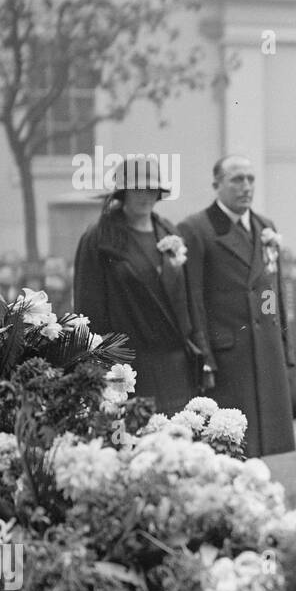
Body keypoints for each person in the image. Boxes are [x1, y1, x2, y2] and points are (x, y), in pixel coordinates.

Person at [177, 154, 296, 458]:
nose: (246, 187)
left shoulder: (264, 227)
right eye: (237, 179)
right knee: (230, 438)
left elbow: (271, 293)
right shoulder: (197, 228)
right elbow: (194, 300)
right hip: (227, 351)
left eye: (250, 179)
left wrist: (281, 345)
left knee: (261, 437)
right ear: (217, 185)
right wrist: (204, 356)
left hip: (264, 348)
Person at [73, 176, 203, 414]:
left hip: (173, 362)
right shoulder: (99, 237)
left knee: (177, 443)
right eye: (137, 189)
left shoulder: (167, 231)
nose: (145, 196)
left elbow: (186, 297)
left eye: (151, 189)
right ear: (123, 193)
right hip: (129, 362)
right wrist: (98, 362)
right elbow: (87, 305)